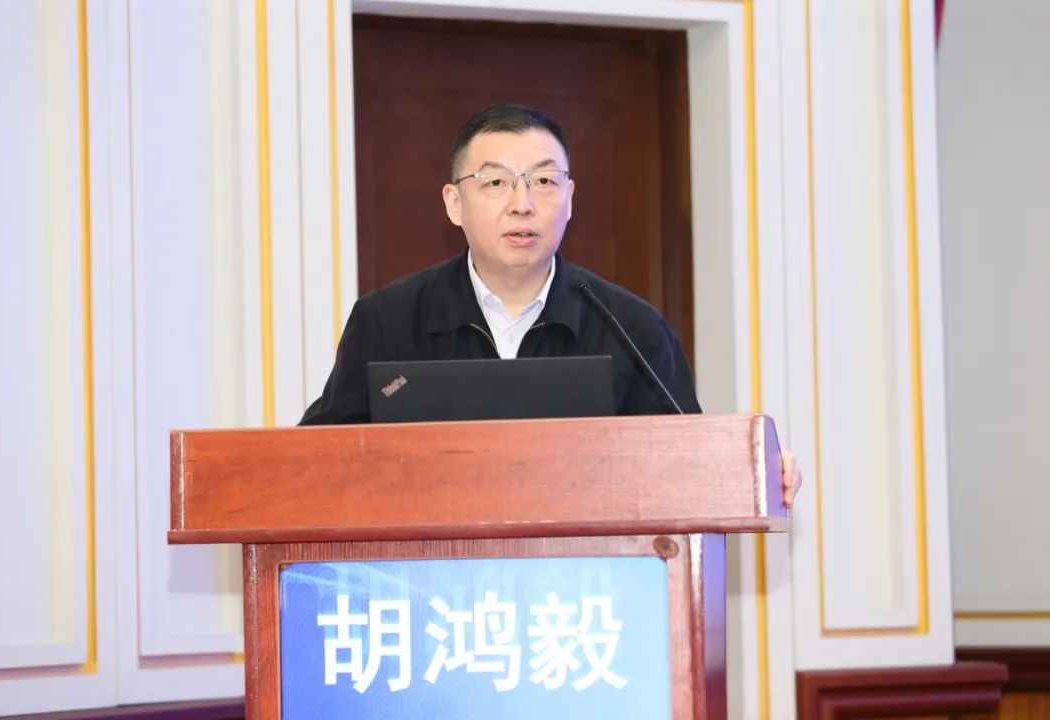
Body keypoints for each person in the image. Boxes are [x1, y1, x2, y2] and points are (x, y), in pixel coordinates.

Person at [300, 103, 802, 507]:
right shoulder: (387, 319)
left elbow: (686, 463)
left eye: (544, 181)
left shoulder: (629, 325)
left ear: (570, 198)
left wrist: (754, 472)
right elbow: (315, 464)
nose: (522, 204)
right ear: (454, 202)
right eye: (495, 182)